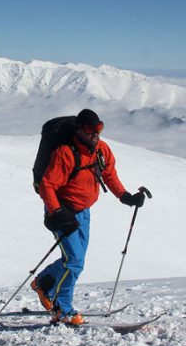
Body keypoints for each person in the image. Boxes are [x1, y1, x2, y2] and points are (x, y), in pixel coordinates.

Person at [31, 109, 145, 326]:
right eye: (90, 129)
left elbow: (109, 175)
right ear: (80, 129)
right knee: (74, 261)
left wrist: (126, 197)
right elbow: (47, 185)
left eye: (99, 128)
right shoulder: (65, 153)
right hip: (62, 213)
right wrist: (57, 212)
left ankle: (44, 283)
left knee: (76, 261)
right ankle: (62, 309)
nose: (95, 134)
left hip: (83, 212)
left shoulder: (101, 150)